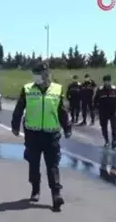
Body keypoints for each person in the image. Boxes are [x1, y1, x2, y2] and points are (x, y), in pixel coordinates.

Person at [11, 62, 72, 211]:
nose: (35, 77)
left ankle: (56, 195)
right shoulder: (27, 89)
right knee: (34, 164)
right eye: (34, 74)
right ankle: (35, 189)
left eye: (38, 74)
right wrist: (15, 126)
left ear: (46, 74)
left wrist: (67, 128)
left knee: (53, 165)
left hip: (51, 135)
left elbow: (62, 111)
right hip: (33, 134)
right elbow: (19, 109)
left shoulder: (57, 89)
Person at [93, 74, 116, 149]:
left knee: (114, 126)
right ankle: (106, 141)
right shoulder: (100, 90)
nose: (107, 83)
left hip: (113, 111)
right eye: (106, 81)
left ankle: (114, 141)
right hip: (103, 112)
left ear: (111, 81)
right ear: (104, 82)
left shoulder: (114, 89)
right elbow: (95, 100)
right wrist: (96, 109)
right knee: (104, 127)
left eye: (109, 81)